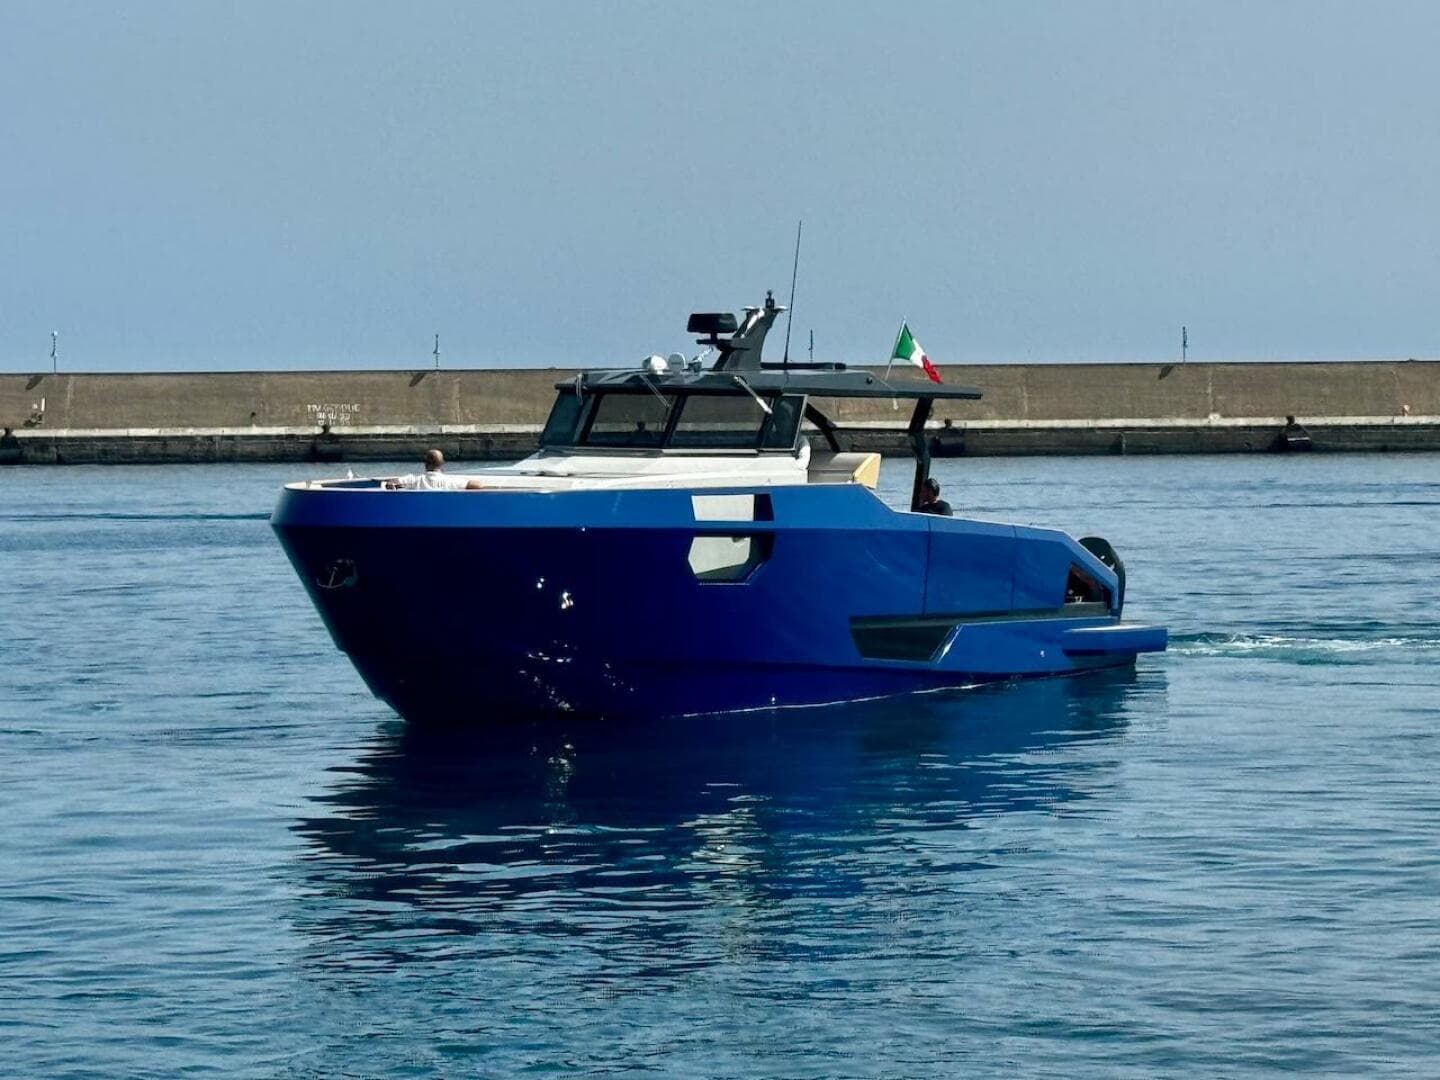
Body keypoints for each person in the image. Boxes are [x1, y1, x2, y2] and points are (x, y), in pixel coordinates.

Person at [385, 448, 468, 490]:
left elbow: (391, 482)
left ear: (425, 464)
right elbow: (476, 485)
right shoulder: (451, 481)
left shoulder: (414, 480)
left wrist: (391, 484)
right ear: (442, 464)